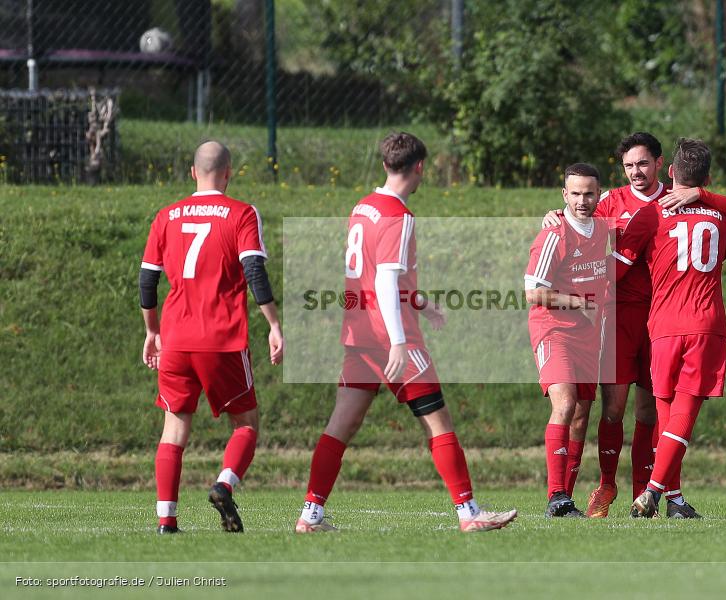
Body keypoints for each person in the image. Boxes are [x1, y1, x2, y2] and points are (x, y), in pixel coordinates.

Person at [295, 132, 517, 533]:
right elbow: (382, 279)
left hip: (358, 334)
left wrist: (420, 302)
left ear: (385, 165)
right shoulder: (399, 216)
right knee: (438, 421)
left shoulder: (363, 207)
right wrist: (398, 339)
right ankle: (469, 514)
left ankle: (310, 515)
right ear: (419, 167)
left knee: (340, 425)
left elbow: (369, 275)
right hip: (390, 336)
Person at [542, 132, 726, 518]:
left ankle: (648, 492)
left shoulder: (672, 201)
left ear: (661, 166)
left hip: (664, 318)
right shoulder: (610, 201)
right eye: (628, 166)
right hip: (621, 317)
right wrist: (552, 216)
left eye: (642, 164)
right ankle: (606, 485)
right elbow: (576, 217)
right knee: (614, 408)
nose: (636, 172)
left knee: (652, 413)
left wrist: (697, 194)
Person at [139, 141, 284, 534]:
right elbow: (254, 271)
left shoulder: (166, 215)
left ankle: (166, 521)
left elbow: (147, 280)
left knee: (175, 427)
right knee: (246, 424)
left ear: (192, 173)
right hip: (221, 339)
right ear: (229, 172)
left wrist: (152, 331)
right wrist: (273, 323)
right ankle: (224, 484)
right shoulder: (241, 213)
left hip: (176, 337)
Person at [609, 138, 726, 518]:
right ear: (707, 180)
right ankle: (657, 491)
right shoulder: (722, 218)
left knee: (666, 414)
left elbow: (618, 265)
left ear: (670, 172)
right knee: (683, 414)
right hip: (705, 323)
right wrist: (705, 197)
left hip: (662, 326)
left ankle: (670, 498)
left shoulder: (652, 214)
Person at [525, 163, 610, 518]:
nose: (582, 200)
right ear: (564, 196)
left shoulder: (604, 228)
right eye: (575, 194)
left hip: (588, 337)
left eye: (589, 193)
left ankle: (566, 502)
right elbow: (532, 292)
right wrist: (578, 303)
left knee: (580, 416)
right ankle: (556, 495)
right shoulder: (554, 235)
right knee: (565, 404)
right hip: (553, 329)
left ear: (598, 194)